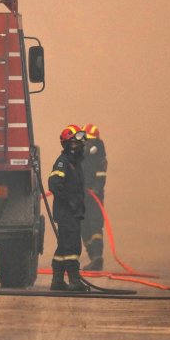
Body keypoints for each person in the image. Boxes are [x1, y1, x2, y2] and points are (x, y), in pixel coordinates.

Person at [48, 125, 88, 291]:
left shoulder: (74, 163)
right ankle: (74, 280)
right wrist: (70, 201)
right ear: (66, 144)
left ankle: (57, 281)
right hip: (66, 212)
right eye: (73, 143)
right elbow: (54, 184)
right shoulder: (63, 163)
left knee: (64, 246)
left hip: (73, 211)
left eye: (78, 143)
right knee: (71, 246)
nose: (77, 146)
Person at [80, 124, 108, 271]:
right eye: (87, 140)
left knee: (95, 225)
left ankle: (98, 256)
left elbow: (101, 175)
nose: (89, 143)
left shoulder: (100, 157)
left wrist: (95, 189)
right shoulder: (77, 154)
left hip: (94, 196)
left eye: (91, 140)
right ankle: (93, 257)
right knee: (83, 227)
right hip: (80, 197)